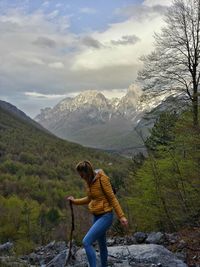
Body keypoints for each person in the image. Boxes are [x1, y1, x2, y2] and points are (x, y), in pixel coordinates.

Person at [65, 160, 128, 267]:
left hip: (106, 216)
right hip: (96, 216)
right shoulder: (89, 182)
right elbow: (90, 198)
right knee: (102, 245)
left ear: (88, 172)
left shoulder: (102, 179)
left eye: (82, 175)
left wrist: (121, 216)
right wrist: (74, 201)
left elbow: (112, 198)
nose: (81, 177)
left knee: (86, 242)